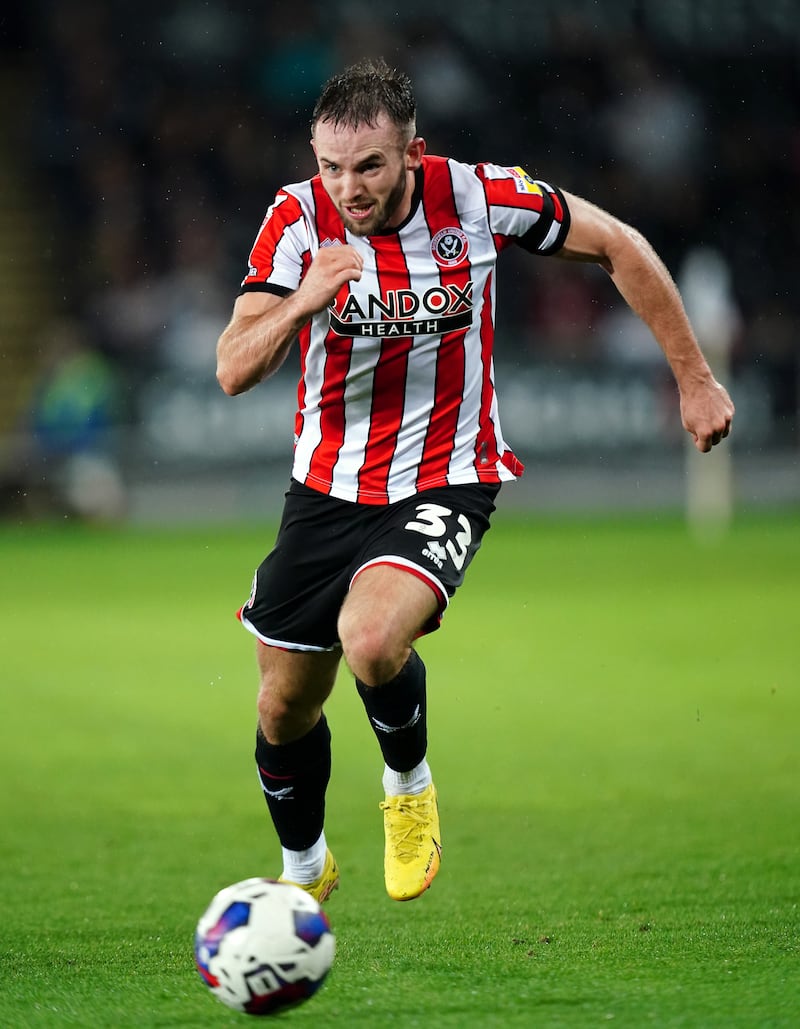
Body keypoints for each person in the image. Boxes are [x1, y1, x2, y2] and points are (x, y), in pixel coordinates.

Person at [215, 58, 734, 904]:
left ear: (413, 154)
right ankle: (305, 873)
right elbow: (233, 368)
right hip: (325, 488)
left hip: (447, 474)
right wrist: (302, 300)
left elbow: (618, 244)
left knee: (374, 639)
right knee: (282, 707)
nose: (349, 186)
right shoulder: (295, 220)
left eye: (371, 165)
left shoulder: (481, 199)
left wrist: (694, 376)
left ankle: (408, 785)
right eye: (332, 166)